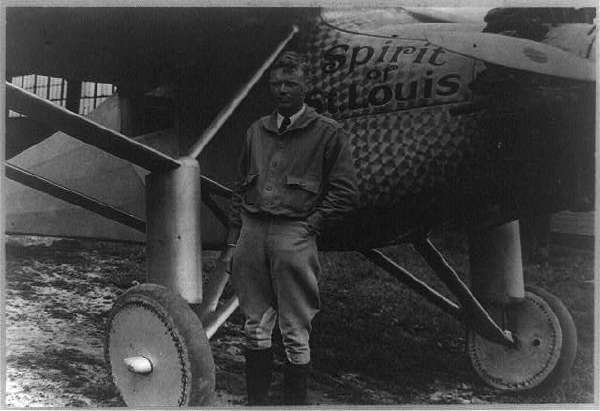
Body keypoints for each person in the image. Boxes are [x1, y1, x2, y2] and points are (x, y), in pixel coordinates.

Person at [223, 51, 359, 405]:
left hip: (293, 234)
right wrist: (233, 240)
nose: (282, 90)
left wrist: (311, 224)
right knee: (255, 325)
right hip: (252, 232)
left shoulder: (328, 134)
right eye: (276, 84)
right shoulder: (257, 131)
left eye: (291, 83)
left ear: (306, 86)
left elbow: (346, 193)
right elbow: (240, 187)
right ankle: (258, 404)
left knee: (295, 330)